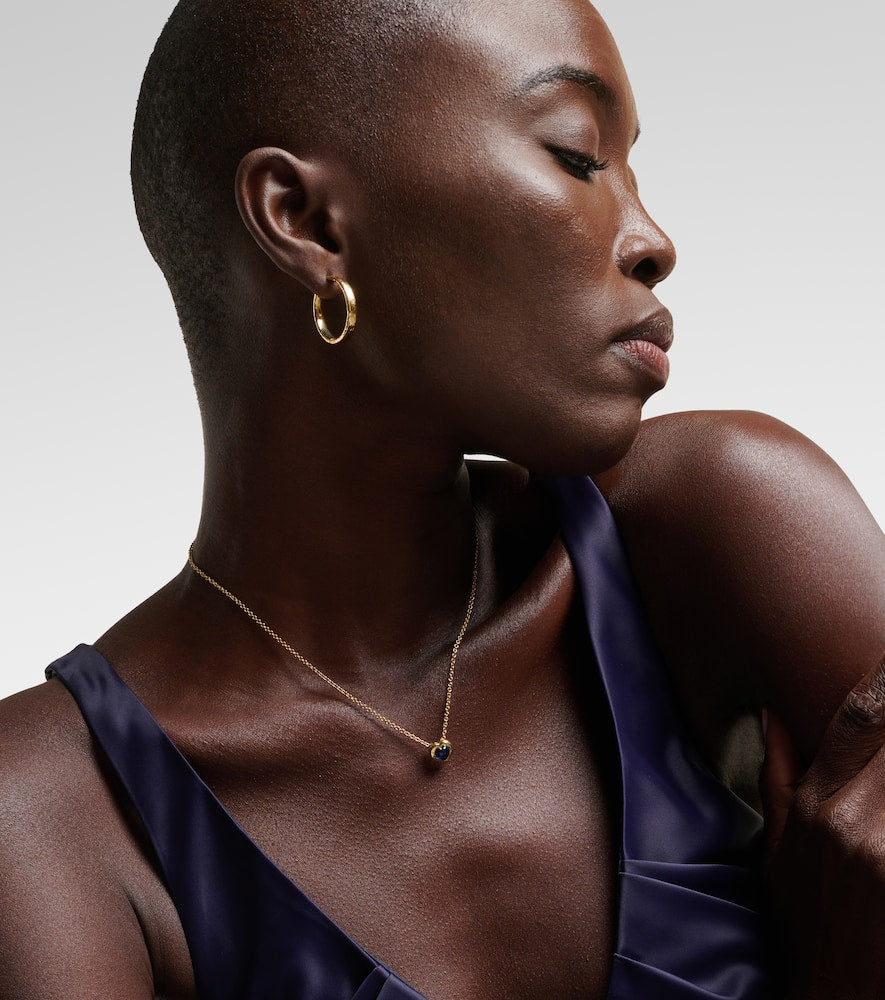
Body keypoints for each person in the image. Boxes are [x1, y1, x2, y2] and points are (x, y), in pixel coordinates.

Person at [1, 1, 883, 998]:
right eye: (577, 155)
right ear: (307, 221)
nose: (651, 240)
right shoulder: (49, 820)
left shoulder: (716, 528)